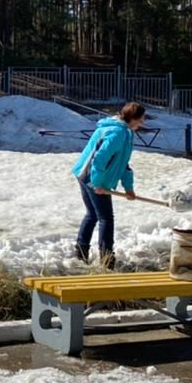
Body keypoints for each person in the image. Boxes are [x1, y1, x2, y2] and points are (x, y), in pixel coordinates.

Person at [70, 102, 145, 264]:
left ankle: (81, 252)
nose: (142, 123)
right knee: (106, 218)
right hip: (91, 175)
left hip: (85, 174)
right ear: (132, 118)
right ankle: (106, 258)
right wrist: (97, 184)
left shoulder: (125, 132)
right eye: (141, 119)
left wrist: (129, 188)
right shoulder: (117, 133)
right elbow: (99, 159)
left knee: (92, 214)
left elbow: (122, 163)